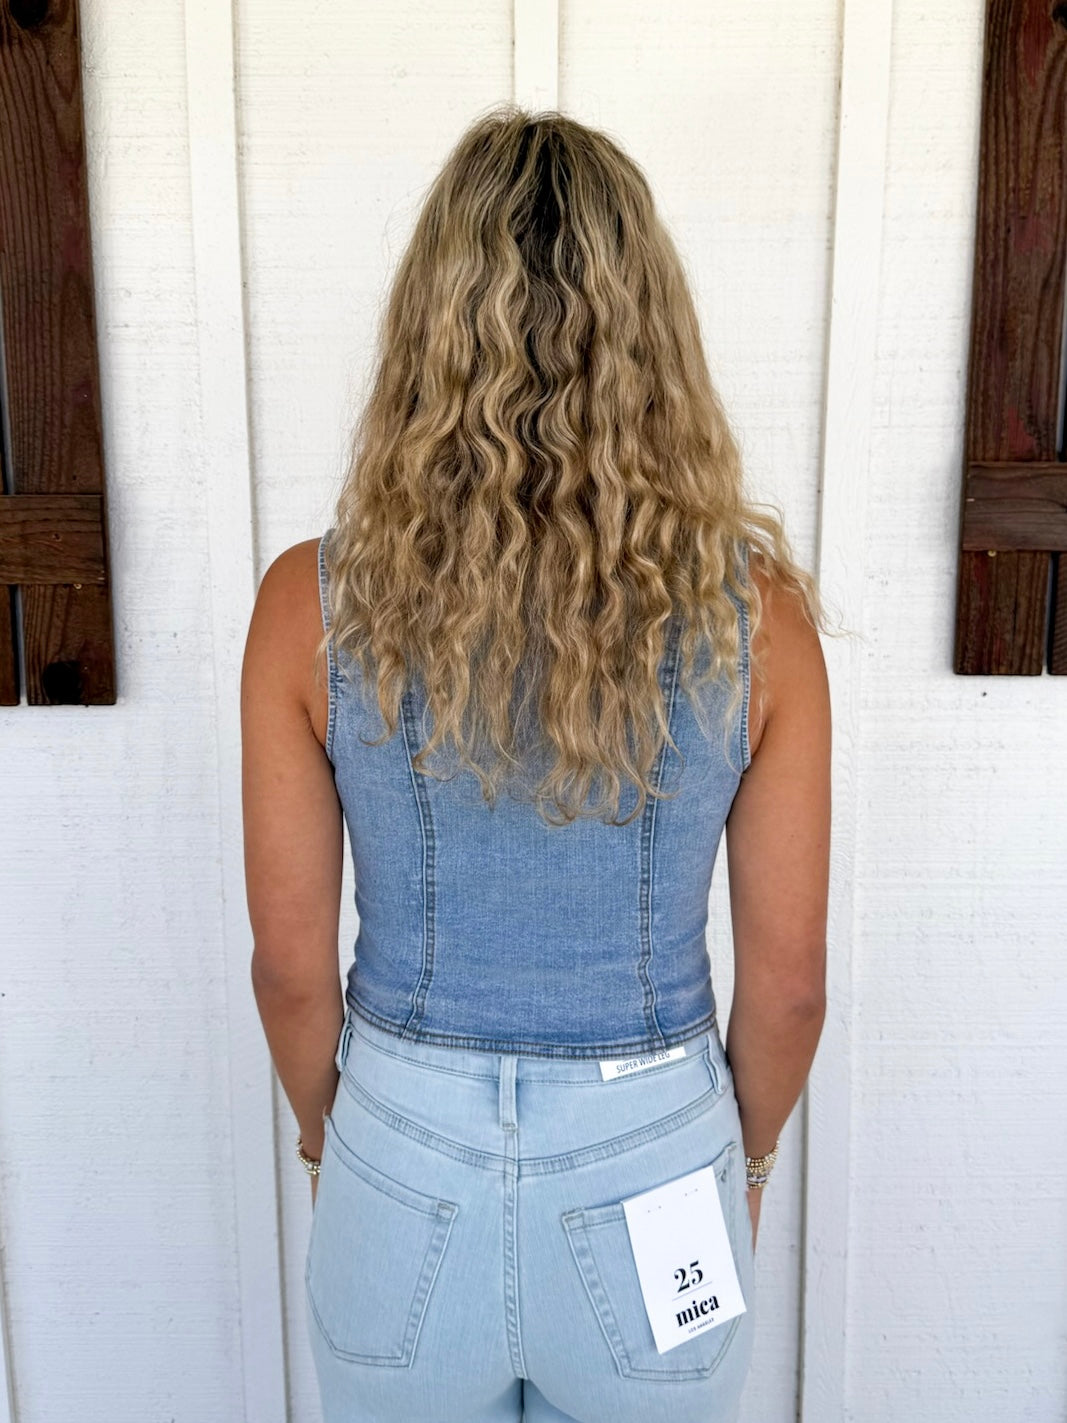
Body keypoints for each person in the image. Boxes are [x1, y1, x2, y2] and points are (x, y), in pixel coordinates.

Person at [241, 104, 831, 1423]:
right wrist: (741, 1167)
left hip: (400, 1147)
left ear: (423, 335)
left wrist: (335, 1143)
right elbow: (790, 989)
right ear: (655, 341)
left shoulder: (308, 608)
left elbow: (289, 969)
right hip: (654, 1156)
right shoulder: (761, 625)